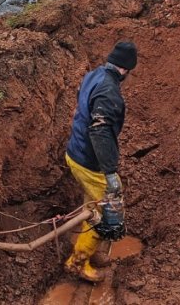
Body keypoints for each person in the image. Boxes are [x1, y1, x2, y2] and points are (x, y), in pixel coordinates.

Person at [63, 41, 136, 282]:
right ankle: (77, 263)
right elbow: (100, 131)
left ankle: (90, 250)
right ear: (125, 69)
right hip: (88, 159)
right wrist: (110, 172)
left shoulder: (94, 75)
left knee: (92, 205)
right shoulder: (109, 92)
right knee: (106, 210)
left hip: (75, 151)